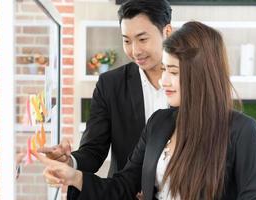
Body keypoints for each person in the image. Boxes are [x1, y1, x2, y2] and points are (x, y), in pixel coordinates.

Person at [33, 21, 256, 200]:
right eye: (164, 69)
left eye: (173, 72)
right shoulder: (159, 123)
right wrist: (75, 177)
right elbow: (124, 185)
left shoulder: (243, 132)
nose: (164, 81)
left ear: (201, 76)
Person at [38, 0, 172, 177]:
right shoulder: (110, 84)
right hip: (123, 193)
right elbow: (93, 150)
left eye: (142, 39)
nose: (135, 50)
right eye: (127, 41)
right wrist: (69, 161)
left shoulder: (194, 80)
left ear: (167, 32)